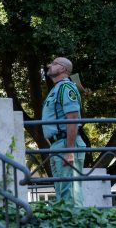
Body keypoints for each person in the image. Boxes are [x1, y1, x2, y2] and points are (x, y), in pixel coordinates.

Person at [42, 57, 84, 206]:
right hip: (58, 145)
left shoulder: (67, 88)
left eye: (53, 63)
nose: (49, 65)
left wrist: (69, 151)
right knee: (62, 196)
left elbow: (72, 119)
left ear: (62, 69)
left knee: (70, 196)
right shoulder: (57, 88)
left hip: (66, 144)